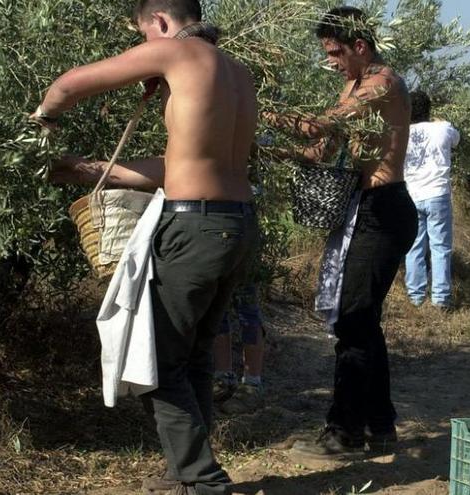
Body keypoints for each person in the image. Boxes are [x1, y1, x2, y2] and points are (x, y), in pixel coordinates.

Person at [43, 1, 259, 493]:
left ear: (159, 22)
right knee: (193, 356)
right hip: (237, 224)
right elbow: (178, 166)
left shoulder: (175, 54)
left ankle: (204, 482)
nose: (147, 47)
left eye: (144, 35)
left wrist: (43, 118)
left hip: (195, 229)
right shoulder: (238, 73)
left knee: (156, 363)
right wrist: (88, 168)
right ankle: (184, 474)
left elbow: (70, 84)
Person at [265, 6, 416, 459]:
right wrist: (270, 151)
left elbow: (323, 125)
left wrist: (257, 109)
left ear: (360, 46)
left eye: (334, 52)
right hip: (365, 209)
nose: (330, 60)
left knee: (353, 319)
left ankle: (344, 432)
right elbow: (321, 146)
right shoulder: (351, 85)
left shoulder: (381, 83)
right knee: (361, 320)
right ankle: (380, 424)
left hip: (385, 210)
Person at [402, 90, 460, 309]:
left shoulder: (403, 132)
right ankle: (440, 298)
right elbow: (457, 140)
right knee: (440, 247)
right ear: (429, 109)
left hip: (412, 195)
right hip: (437, 194)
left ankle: (416, 297)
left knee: (414, 246)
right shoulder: (442, 128)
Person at [212, 282, 266, 415]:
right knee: (217, 311)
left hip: (242, 264)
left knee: (248, 311)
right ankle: (224, 378)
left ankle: (252, 384)